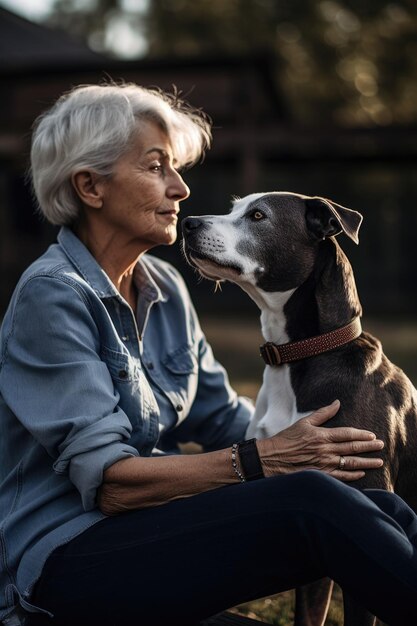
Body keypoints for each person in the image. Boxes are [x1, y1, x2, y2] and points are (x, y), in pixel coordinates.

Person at [0, 83, 416, 626]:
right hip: (65, 565)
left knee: (372, 502)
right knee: (314, 500)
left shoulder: (165, 288)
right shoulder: (52, 297)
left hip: (157, 541)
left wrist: (319, 434)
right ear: (90, 186)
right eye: (156, 167)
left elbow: (224, 417)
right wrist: (266, 460)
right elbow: (110, 485)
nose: (180, 189)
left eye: (176, 168)